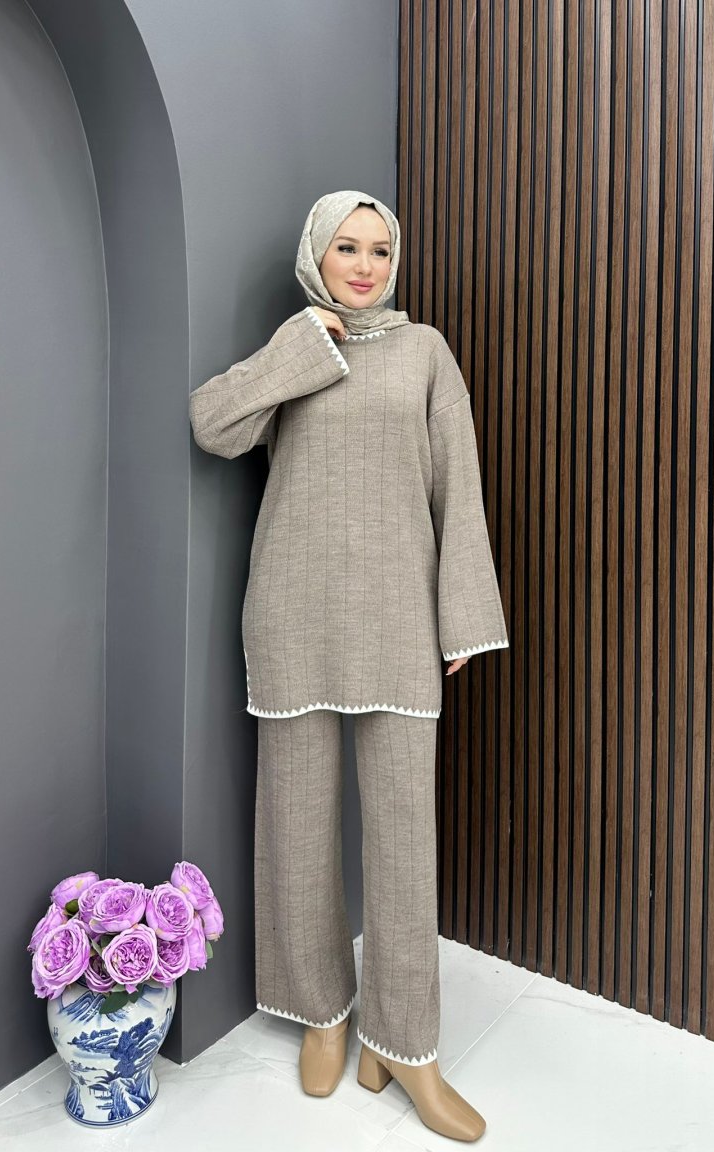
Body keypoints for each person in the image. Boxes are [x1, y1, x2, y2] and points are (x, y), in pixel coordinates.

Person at [189, 190, 508, 1143]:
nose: (365, 267)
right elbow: (212, 424)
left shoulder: (426, 352)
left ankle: (405, 1046)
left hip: (399, 618)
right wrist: (300, 349)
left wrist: (461, 616)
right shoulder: (299, 346)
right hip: (294, 616)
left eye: (378, 250)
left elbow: (459, 488)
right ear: (316, 258)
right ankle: (321, 1014)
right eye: (346, 249)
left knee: (405, 837)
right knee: (296, 824)